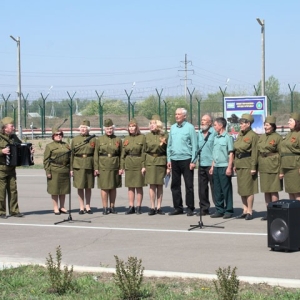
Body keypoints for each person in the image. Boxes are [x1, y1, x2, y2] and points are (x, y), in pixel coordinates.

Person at [167, 108, 197, 216]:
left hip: (186, 160)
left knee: (188, 185)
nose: (177, 116)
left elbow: (194, 145)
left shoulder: (190, 128)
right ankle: (178, 208)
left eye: (179, 114)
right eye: (175, 114)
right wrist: (168, 159)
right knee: (175, 185)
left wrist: (193, 161)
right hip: (174, 160)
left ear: (184, 116)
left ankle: (190, 207)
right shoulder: (173, 128)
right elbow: (169, 145)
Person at [0, 117, 27, 218]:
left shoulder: (13, 137)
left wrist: (28, 151)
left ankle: (14, 210)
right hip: (1, 168)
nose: (14, 128)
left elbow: (21, 146)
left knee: (13, 190)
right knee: (1, 191)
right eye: (12, 126)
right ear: (5, 128)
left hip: (11, 168)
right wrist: (1, 151)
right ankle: (1, 212)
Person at [94, 119, 122, 215]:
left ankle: (112, 206)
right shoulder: (100, 140)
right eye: (107, 128)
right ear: (104, 129)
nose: (109, 130)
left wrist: (121, 167)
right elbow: (96, 154)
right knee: (104, 187)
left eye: (111, 128)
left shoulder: (118, 139)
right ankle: (105, 207)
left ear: (113, 129)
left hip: (114, 164)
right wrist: (96, 167)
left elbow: (121, 154)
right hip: (103, 165)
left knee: (113, 187)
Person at [233, 113, 259, 220]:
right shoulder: (240, 134)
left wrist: (253, 167)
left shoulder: (253, 136)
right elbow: (236, 149)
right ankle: (244, 210)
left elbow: (255, 153)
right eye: (240, 123)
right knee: (242, 189)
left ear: (248, 124)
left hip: (248, 164)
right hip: (240, 163)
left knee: (249, 189)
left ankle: (250, 211)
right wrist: (235, 163)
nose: (241, 125)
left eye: (242, 123)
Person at [258, 115, 283, 220]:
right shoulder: (262, 137)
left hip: (274, 166)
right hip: (263, 165)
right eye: (264, 124)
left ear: (272, 126)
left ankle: (275, 213)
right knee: (266, 190)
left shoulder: (277, 137)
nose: (265, 127)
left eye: (267, 125)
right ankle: (269, 212)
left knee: (273, 190)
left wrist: (281, 171)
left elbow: (282, 154)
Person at [209, 117, 234, 219]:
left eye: (215, 125)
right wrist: (212, 166)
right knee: (217, 189)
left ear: (221, 125)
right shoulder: (215, 137)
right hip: (216, 166)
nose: (214, 127)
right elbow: (215, 154)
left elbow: (231, 153)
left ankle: (228, 210)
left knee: (226, 189)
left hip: (224, 166)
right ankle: (219, 209)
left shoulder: (228, 137)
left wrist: (229, 167)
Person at [144, 115, 169, 215]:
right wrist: (143, 165)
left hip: (160, 161)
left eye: (153, 123)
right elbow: (144, 151)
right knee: (152, 185)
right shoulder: (147, 136)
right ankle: (152, 207)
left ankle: (159, 207)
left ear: (158, 124)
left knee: (159, 185)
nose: (151, 125)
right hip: (150, 162)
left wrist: (168, 166)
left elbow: (168, 150)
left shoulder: (164, 135)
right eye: (150, 123)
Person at [70, 120, 96, 214]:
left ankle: (88, 206)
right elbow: (71, 155)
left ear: (88, 129)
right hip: (78, 165)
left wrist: (95, 167)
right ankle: (81, 207)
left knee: (88, 187)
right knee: (80, 186)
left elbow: (95, 154)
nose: (83, 129)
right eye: (81, 127)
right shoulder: (75, 140)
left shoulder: (93, 139)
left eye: (85, 128)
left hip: (89, 164)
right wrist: (71, 169)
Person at [121, 118, 145, 215]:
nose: (131, 128)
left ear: (137, 127)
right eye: (130, 126)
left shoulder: (142, 137)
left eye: (133, 126)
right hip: (129, 163)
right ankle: (131, 206)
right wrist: (122, 166)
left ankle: (139, 206)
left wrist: (143, 165)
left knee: (139, 186)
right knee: (130, 186)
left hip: (138, 162)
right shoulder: (126, 139)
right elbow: (123, 154)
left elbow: (144, 152)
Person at [44, 127, 70, 215]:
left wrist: (70, 169)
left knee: (64, 189)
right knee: (55, 190)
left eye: (60, 134)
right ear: (53, 136)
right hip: (54, 169)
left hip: (64, 169)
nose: (59, 136)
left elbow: (70, 158)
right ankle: (55, 207)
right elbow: (46, 160)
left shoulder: (66, 145)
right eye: (57, 134)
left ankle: (62, 207)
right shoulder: (50, 146)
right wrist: (48, 172)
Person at [197, 114, 217, 216]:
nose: (202, 122)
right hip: (201, 164)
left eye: (204, 120)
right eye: (202, 120)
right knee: (202, 188)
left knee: (214, 187)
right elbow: (196, 149)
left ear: (210, 123)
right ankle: (204, 208)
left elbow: (216, 150)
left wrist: (213, 164)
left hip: (211, 164)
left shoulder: (214, 133)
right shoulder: (199, 133)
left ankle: (218, 208)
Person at [280, 113, 300, 200]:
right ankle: (293, 212)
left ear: (296, 122)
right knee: (290, 191)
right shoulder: (289, 134)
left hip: (295, 166)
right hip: (286, 166)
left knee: (297, 192)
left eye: (290, 121)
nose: (288, 122)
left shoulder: (299, 134)